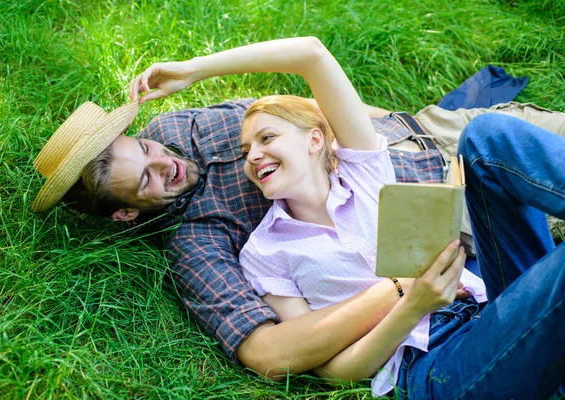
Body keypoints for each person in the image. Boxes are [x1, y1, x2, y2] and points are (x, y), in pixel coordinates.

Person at [31, 37, 564, 398]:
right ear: (126, 212)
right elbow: (283, 356)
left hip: (434, 143)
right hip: (447, 324)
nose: (164, 164)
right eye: (145, 179)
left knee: (489, 136)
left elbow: (310, 58)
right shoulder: (235, 247)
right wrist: (404, 291)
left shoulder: (190, 125)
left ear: (317, 138)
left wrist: (193, 70)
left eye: (147, 148)